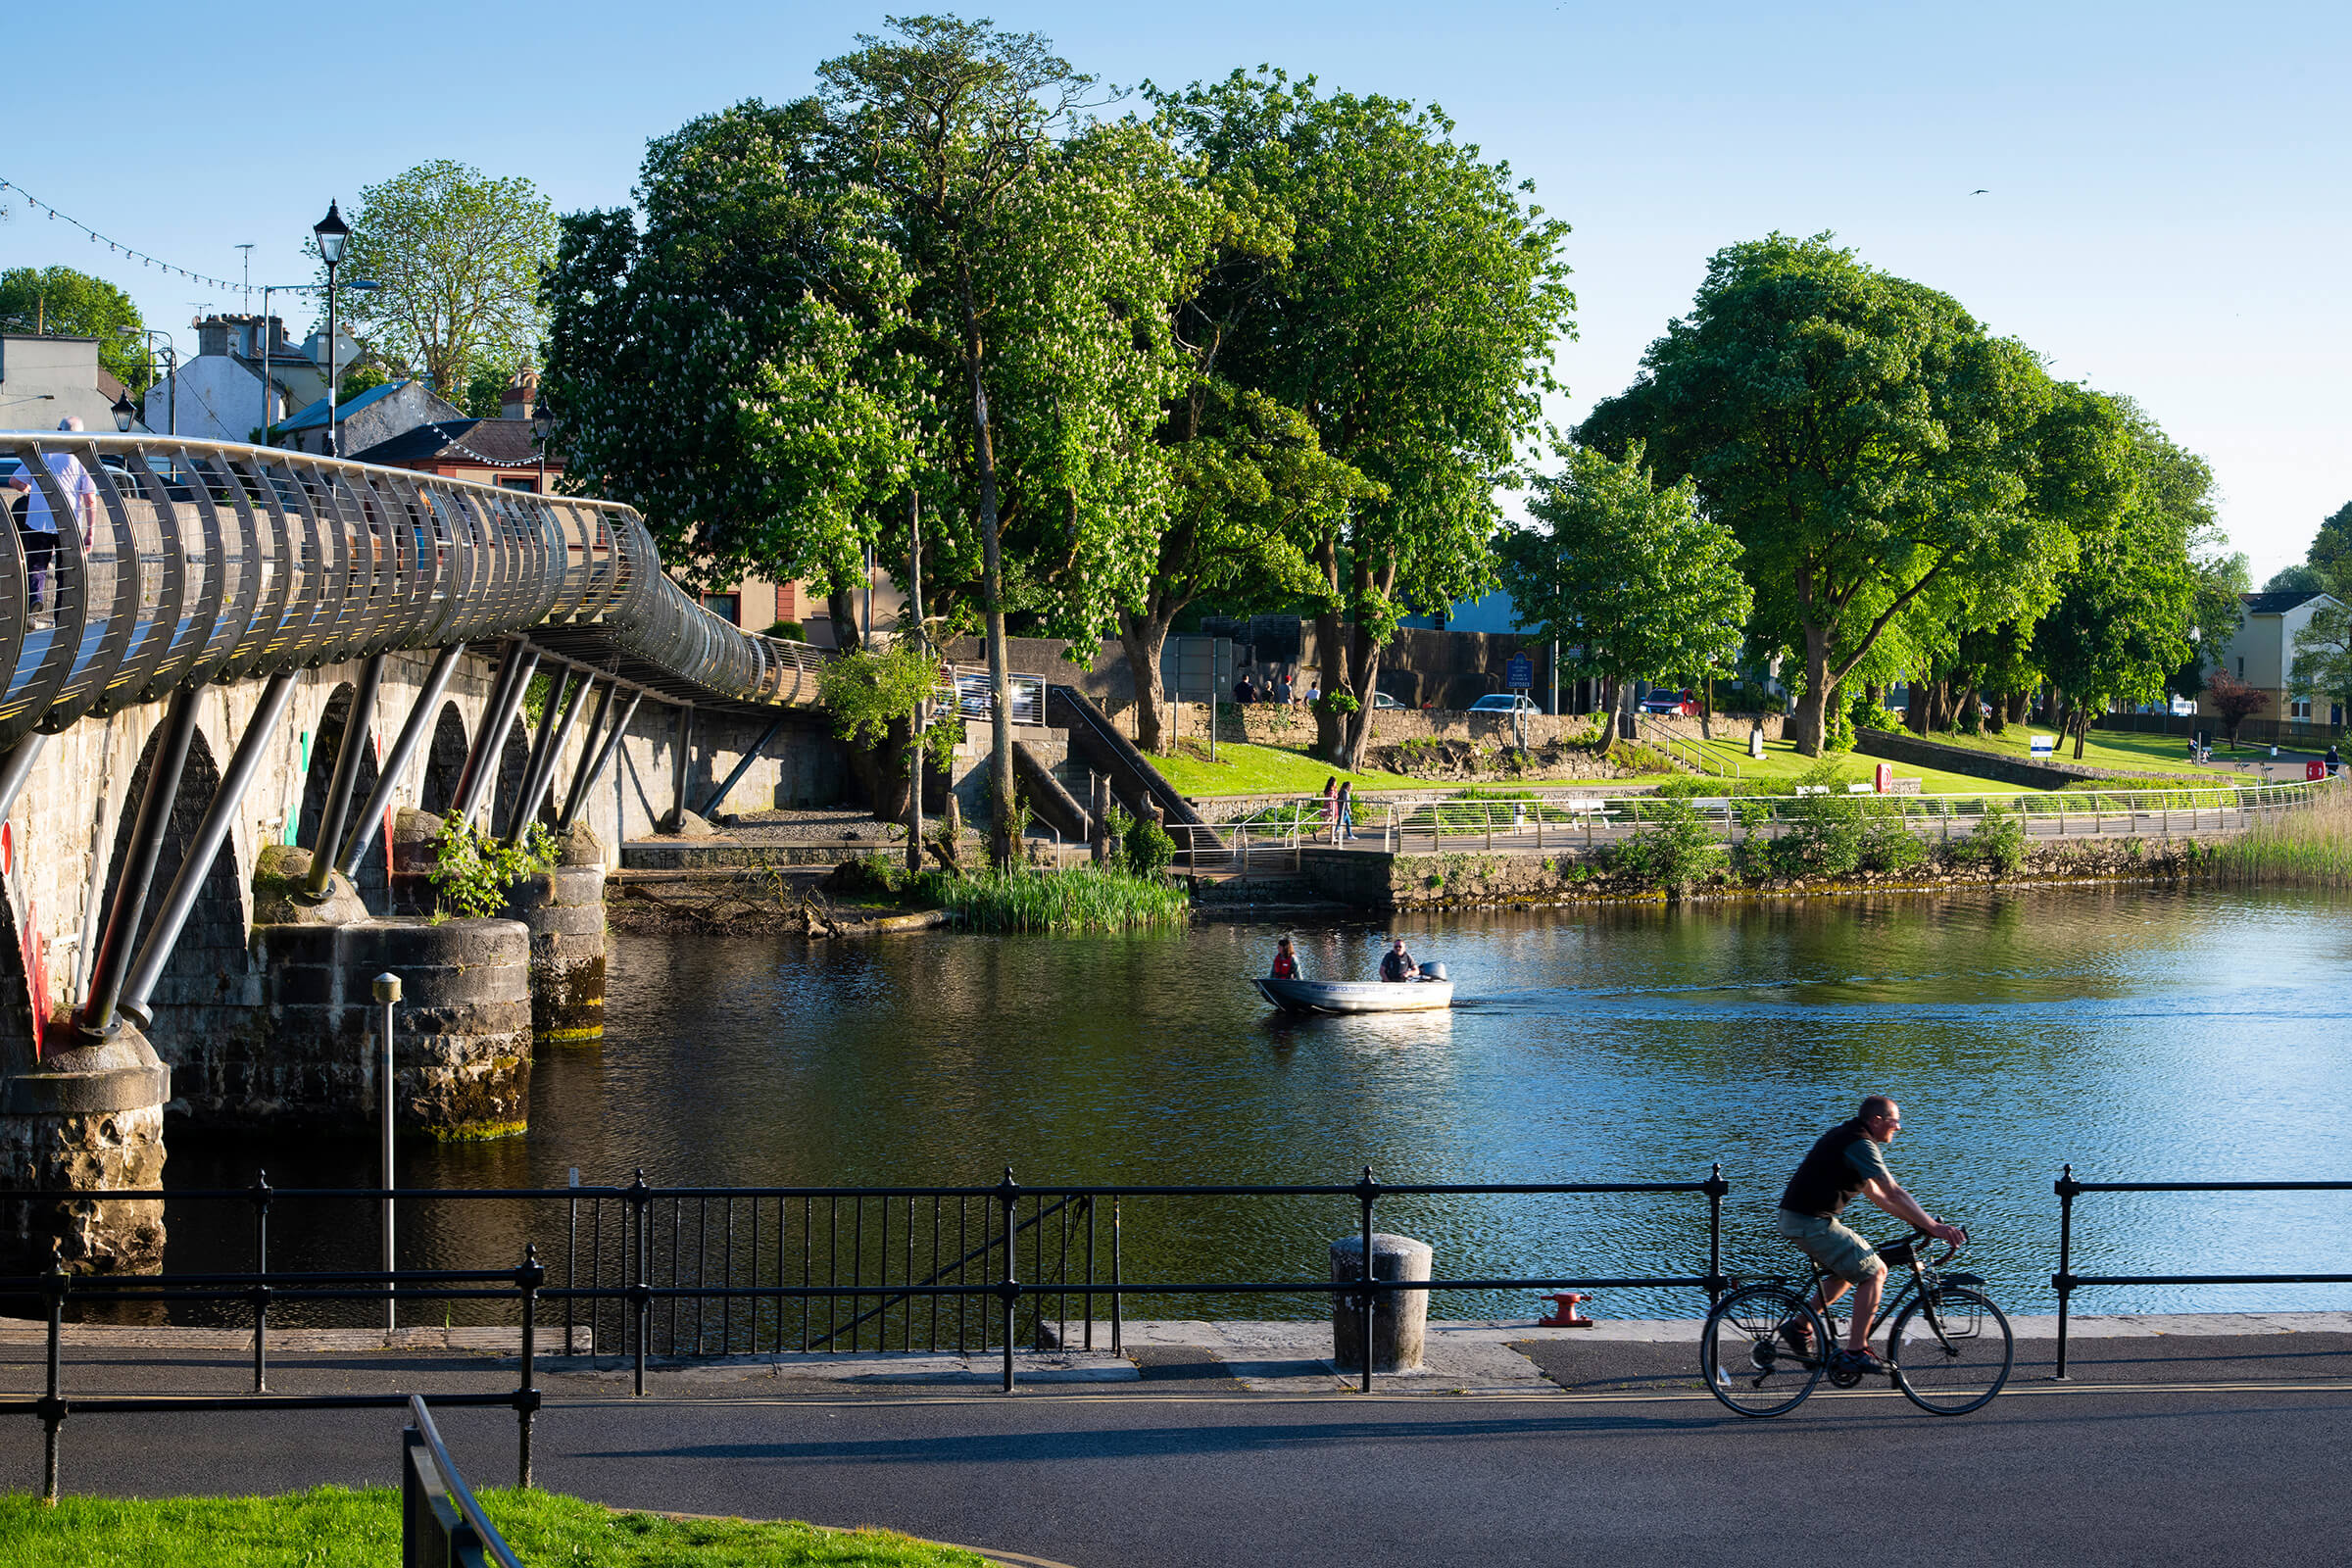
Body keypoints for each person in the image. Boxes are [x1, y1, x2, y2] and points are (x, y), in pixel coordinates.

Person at [1775, 1096, 1964, 1374]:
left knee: (1853, 1270)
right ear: (1876, 1121)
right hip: (1809, 1221)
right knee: (1875, 1271)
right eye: (1894, 1121)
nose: (1898, 1127)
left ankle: (1799, 1326)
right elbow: (1893, 1191)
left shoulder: (1851, 1137)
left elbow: (1879, 1198)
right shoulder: (1860, 1144)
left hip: (1802, 1218)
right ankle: (1856, 1351)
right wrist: (1934, 1228)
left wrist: (1921, 1224)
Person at [5, 417, 99, 613]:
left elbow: (14, 481)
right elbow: (90, 499)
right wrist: (90, 532)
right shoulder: (83, 460)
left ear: (58, 430)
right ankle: (62, 617)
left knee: (37, 565)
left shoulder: (42, 454)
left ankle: (35, 600)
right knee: (65, 573)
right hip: (68, 524)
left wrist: (30, 489)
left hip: (39, 521)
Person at [1321, 775, 1338, 840]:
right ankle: (1316, 832)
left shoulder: (1328, 791)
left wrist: (1335, 790)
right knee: (1328, 823)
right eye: (1335, 782)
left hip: (1329, 807)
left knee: (1332, 823)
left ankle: (1332, 837)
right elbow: (1331, 800)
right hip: (1331, 808)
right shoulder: (1331, 792)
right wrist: (1331, 810)